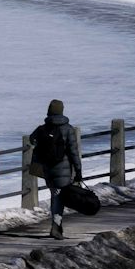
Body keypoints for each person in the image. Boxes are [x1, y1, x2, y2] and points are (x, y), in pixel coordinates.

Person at [28, 99, 84, 240]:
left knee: (55, 195)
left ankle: (56, 225)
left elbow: (31, 139)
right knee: (58, 197)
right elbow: (73, 152)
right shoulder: (68, 129)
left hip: (48, 169)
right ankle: (56, 227)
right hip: (63, 170)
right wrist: (78, 170)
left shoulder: (43, 128)